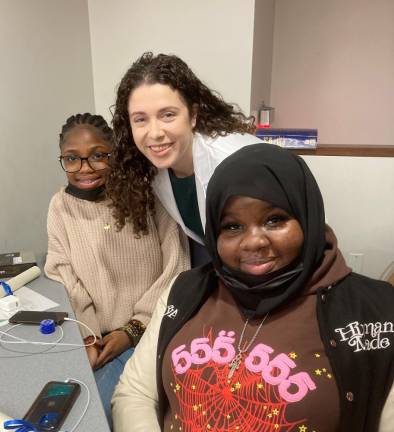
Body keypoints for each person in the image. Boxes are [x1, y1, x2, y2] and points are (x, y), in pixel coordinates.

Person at [112, 143, 394, 432]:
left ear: (306, 217)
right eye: (232, 226)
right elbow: (136, 393)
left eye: (274, 220)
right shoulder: (185, 291)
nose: (253, 242)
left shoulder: (377, 312)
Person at [44, 113, 189, 426]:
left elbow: (176, 269)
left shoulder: (151, 197)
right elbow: (62, 273)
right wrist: (89, 335)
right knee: (58, 406)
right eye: (72, 159)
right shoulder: (60, 205)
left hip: (148, 333)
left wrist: (134, 329)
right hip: (93, 337)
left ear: (116, 153)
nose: (85, 168)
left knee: (92, 413)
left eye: (98, 155)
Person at [106, 52, 263, 266]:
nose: (154, 133)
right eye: (140, 119)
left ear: (193, 115)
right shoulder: (150, 165)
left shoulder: (233, 162)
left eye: (168, 115)